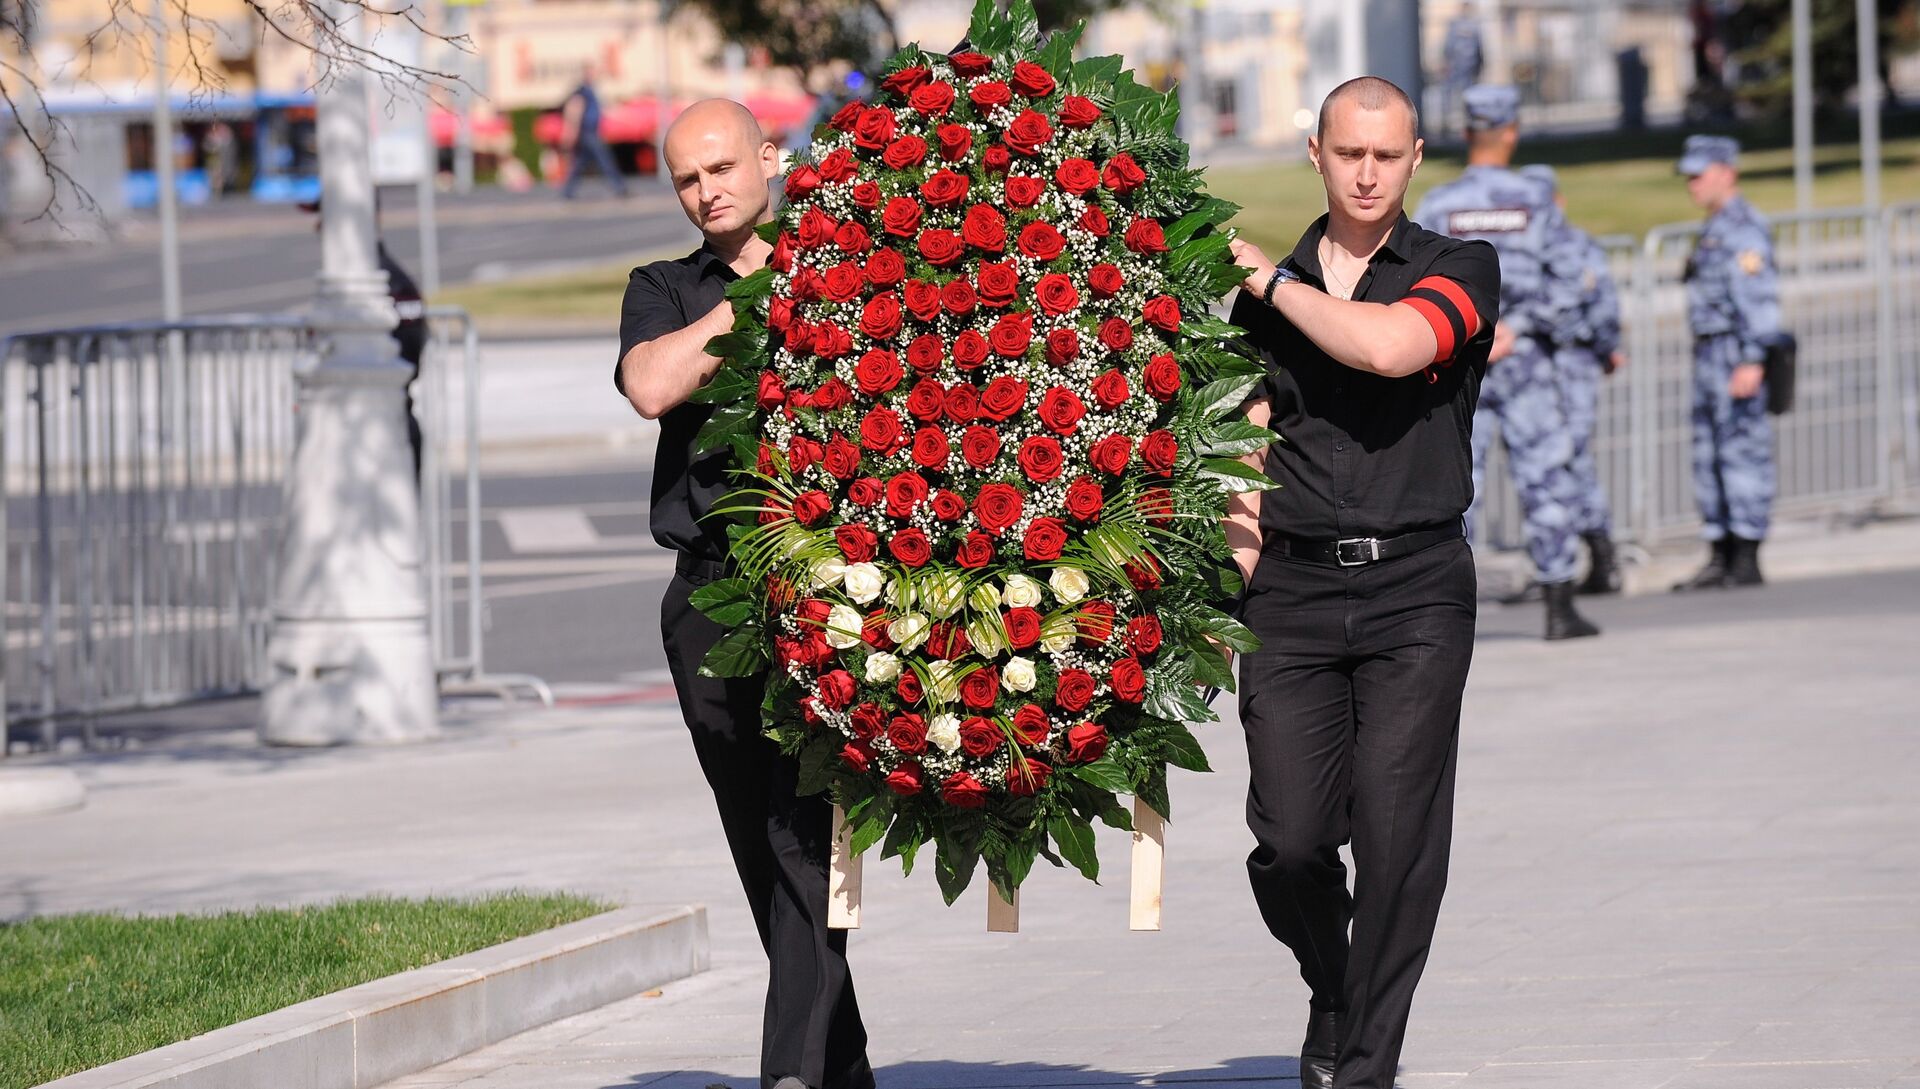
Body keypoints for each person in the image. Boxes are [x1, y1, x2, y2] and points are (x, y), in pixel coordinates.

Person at [1224, 75, 1497, 1089]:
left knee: (1394, 844)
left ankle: (1366, 1066)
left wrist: (1268, 283)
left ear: (1416, 157)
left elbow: (1389, 349)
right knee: (1288, 846)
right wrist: (1220, 590)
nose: (1369, 172)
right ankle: (1332, 984)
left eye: (1388, 154)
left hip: (1416, 591)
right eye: (1350, 153)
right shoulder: (1268, 299)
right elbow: (1245, 458)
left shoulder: (1460, 265)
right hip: (1290, 600)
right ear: (1318, 155)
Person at [613, 99, 872, 1089]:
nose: (707, 189)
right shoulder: (666, 287)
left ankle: (791, 1078)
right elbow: (650, 387)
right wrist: (760, 299)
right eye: (687, 178)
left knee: (808, 850)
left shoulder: (851, 273)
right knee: (764, 861)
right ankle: (842, 1073)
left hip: (828, 601)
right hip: (707, 605)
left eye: (723, 166)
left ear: (771, 158)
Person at [1411, 84, 1600, 640]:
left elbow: (1417, 284)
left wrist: (1472, 332)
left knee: (1454, 484)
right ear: (1511, 132)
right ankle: (1559, 604)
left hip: (1459, 365)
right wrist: (1520, 326)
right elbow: (1571, 282)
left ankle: (1438, 612)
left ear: (1468, 133)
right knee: (1546, 478)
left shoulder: (1441, 205)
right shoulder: (1536, 200)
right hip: (1527, 366)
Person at [1671, 134, 1779, 589]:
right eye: (1690, 176)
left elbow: (1760, 303)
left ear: (1727, 172)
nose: (1693, 184)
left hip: (1735, 353)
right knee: (1710, 453)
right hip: (1712, 353)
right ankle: (1721, 549)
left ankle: (1747, 553)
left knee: (1743, 451)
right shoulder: (1716, 227)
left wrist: (1753, 359)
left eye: (1701, 175)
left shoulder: (1743, 229)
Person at [1523, 164, 1625, 595]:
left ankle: (1599, 555)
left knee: (1569, 460)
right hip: (1546, 365)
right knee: (1553, 462)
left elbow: (1599, 303)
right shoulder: (1542, 247)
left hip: (1570, 363)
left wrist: (1605, 347)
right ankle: (1569, 559)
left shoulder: (1570, 247)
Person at [561, 64, 629, 200]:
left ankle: (568, 191)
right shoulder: (582, 91)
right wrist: (571, 132)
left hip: (591, 132)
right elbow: (575, 111)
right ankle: (619, 187)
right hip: (588, 132)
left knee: (580, 163)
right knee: (605, 159)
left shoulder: (591, 90)